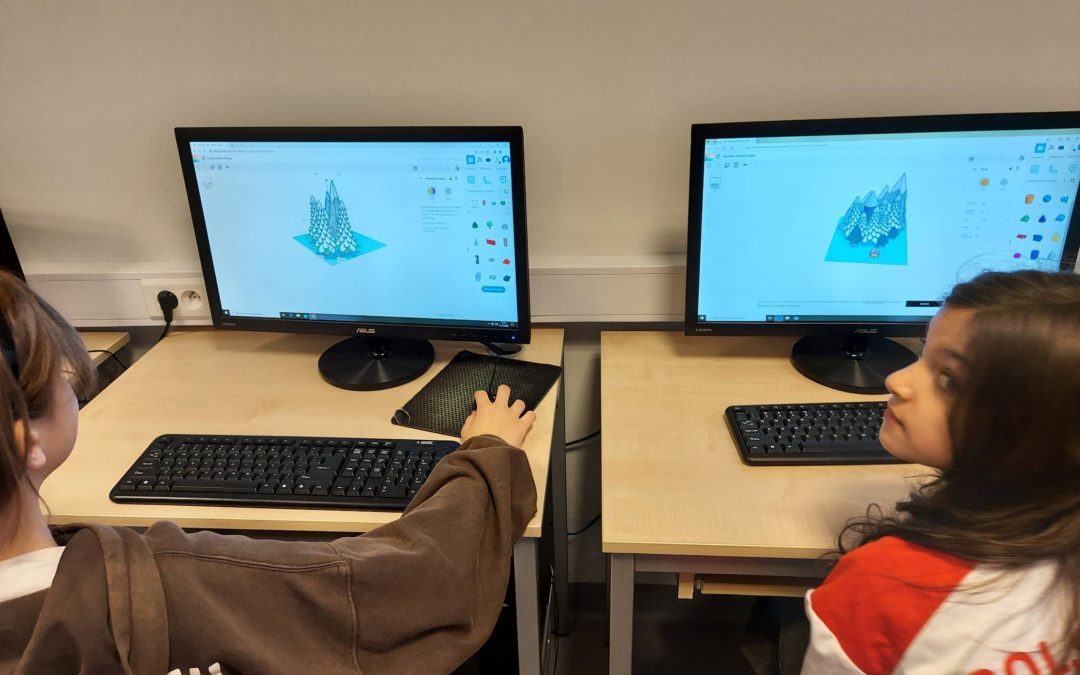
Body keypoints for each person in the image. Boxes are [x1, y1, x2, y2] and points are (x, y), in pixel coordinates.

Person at [0, 270, 539, 674]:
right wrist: (486, 451)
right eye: (63, 378)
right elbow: (418, 578)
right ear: (28, 442)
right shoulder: (160, 585)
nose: (73, 386)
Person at [802, 270, 1080, 674]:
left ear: (1040, 426)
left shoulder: (884, 585)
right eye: (922, 352)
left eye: (947, 379)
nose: (896, 380)